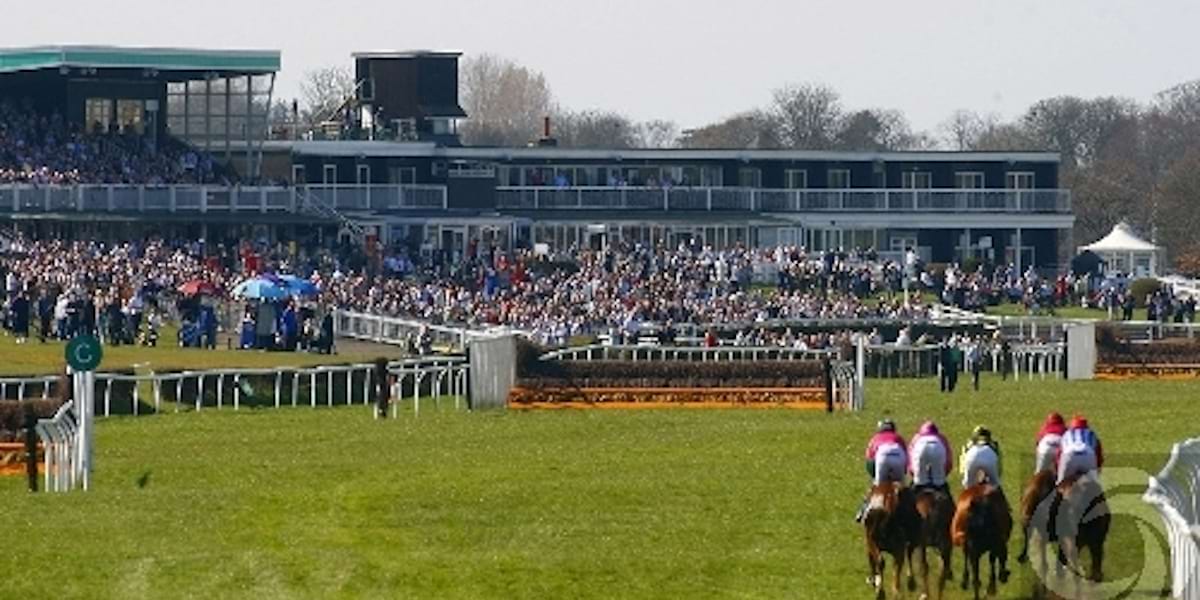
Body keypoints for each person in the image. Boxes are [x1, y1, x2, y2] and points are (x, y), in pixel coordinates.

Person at [856, 419, 908, 522]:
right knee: (903, 490)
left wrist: (875, 476)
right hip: (898, 455)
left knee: (875, 487)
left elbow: (869, 462)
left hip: (881, 457)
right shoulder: (899, 438)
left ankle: (863, 511)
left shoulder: (875, 439)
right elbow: (907, 458)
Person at [1057, 415, 1104, 485]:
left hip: (1069, 456)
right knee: (1094, 486)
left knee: (1060, 484)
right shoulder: (1091, 434)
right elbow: (1099, 455)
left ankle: (1058, 495)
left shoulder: (1066, 434)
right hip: (1088, 456)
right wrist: (1098, 469)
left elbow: (1059, 454)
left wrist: (1059, 467)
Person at [909, 420, 952, 494]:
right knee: (940, 484)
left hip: (920, 447)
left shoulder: (916, 438)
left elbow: (910, 457)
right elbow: (948, 459)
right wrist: (943, 475)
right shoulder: (941, 437)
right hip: (938, 447)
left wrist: (914, 473)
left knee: (919, 483)